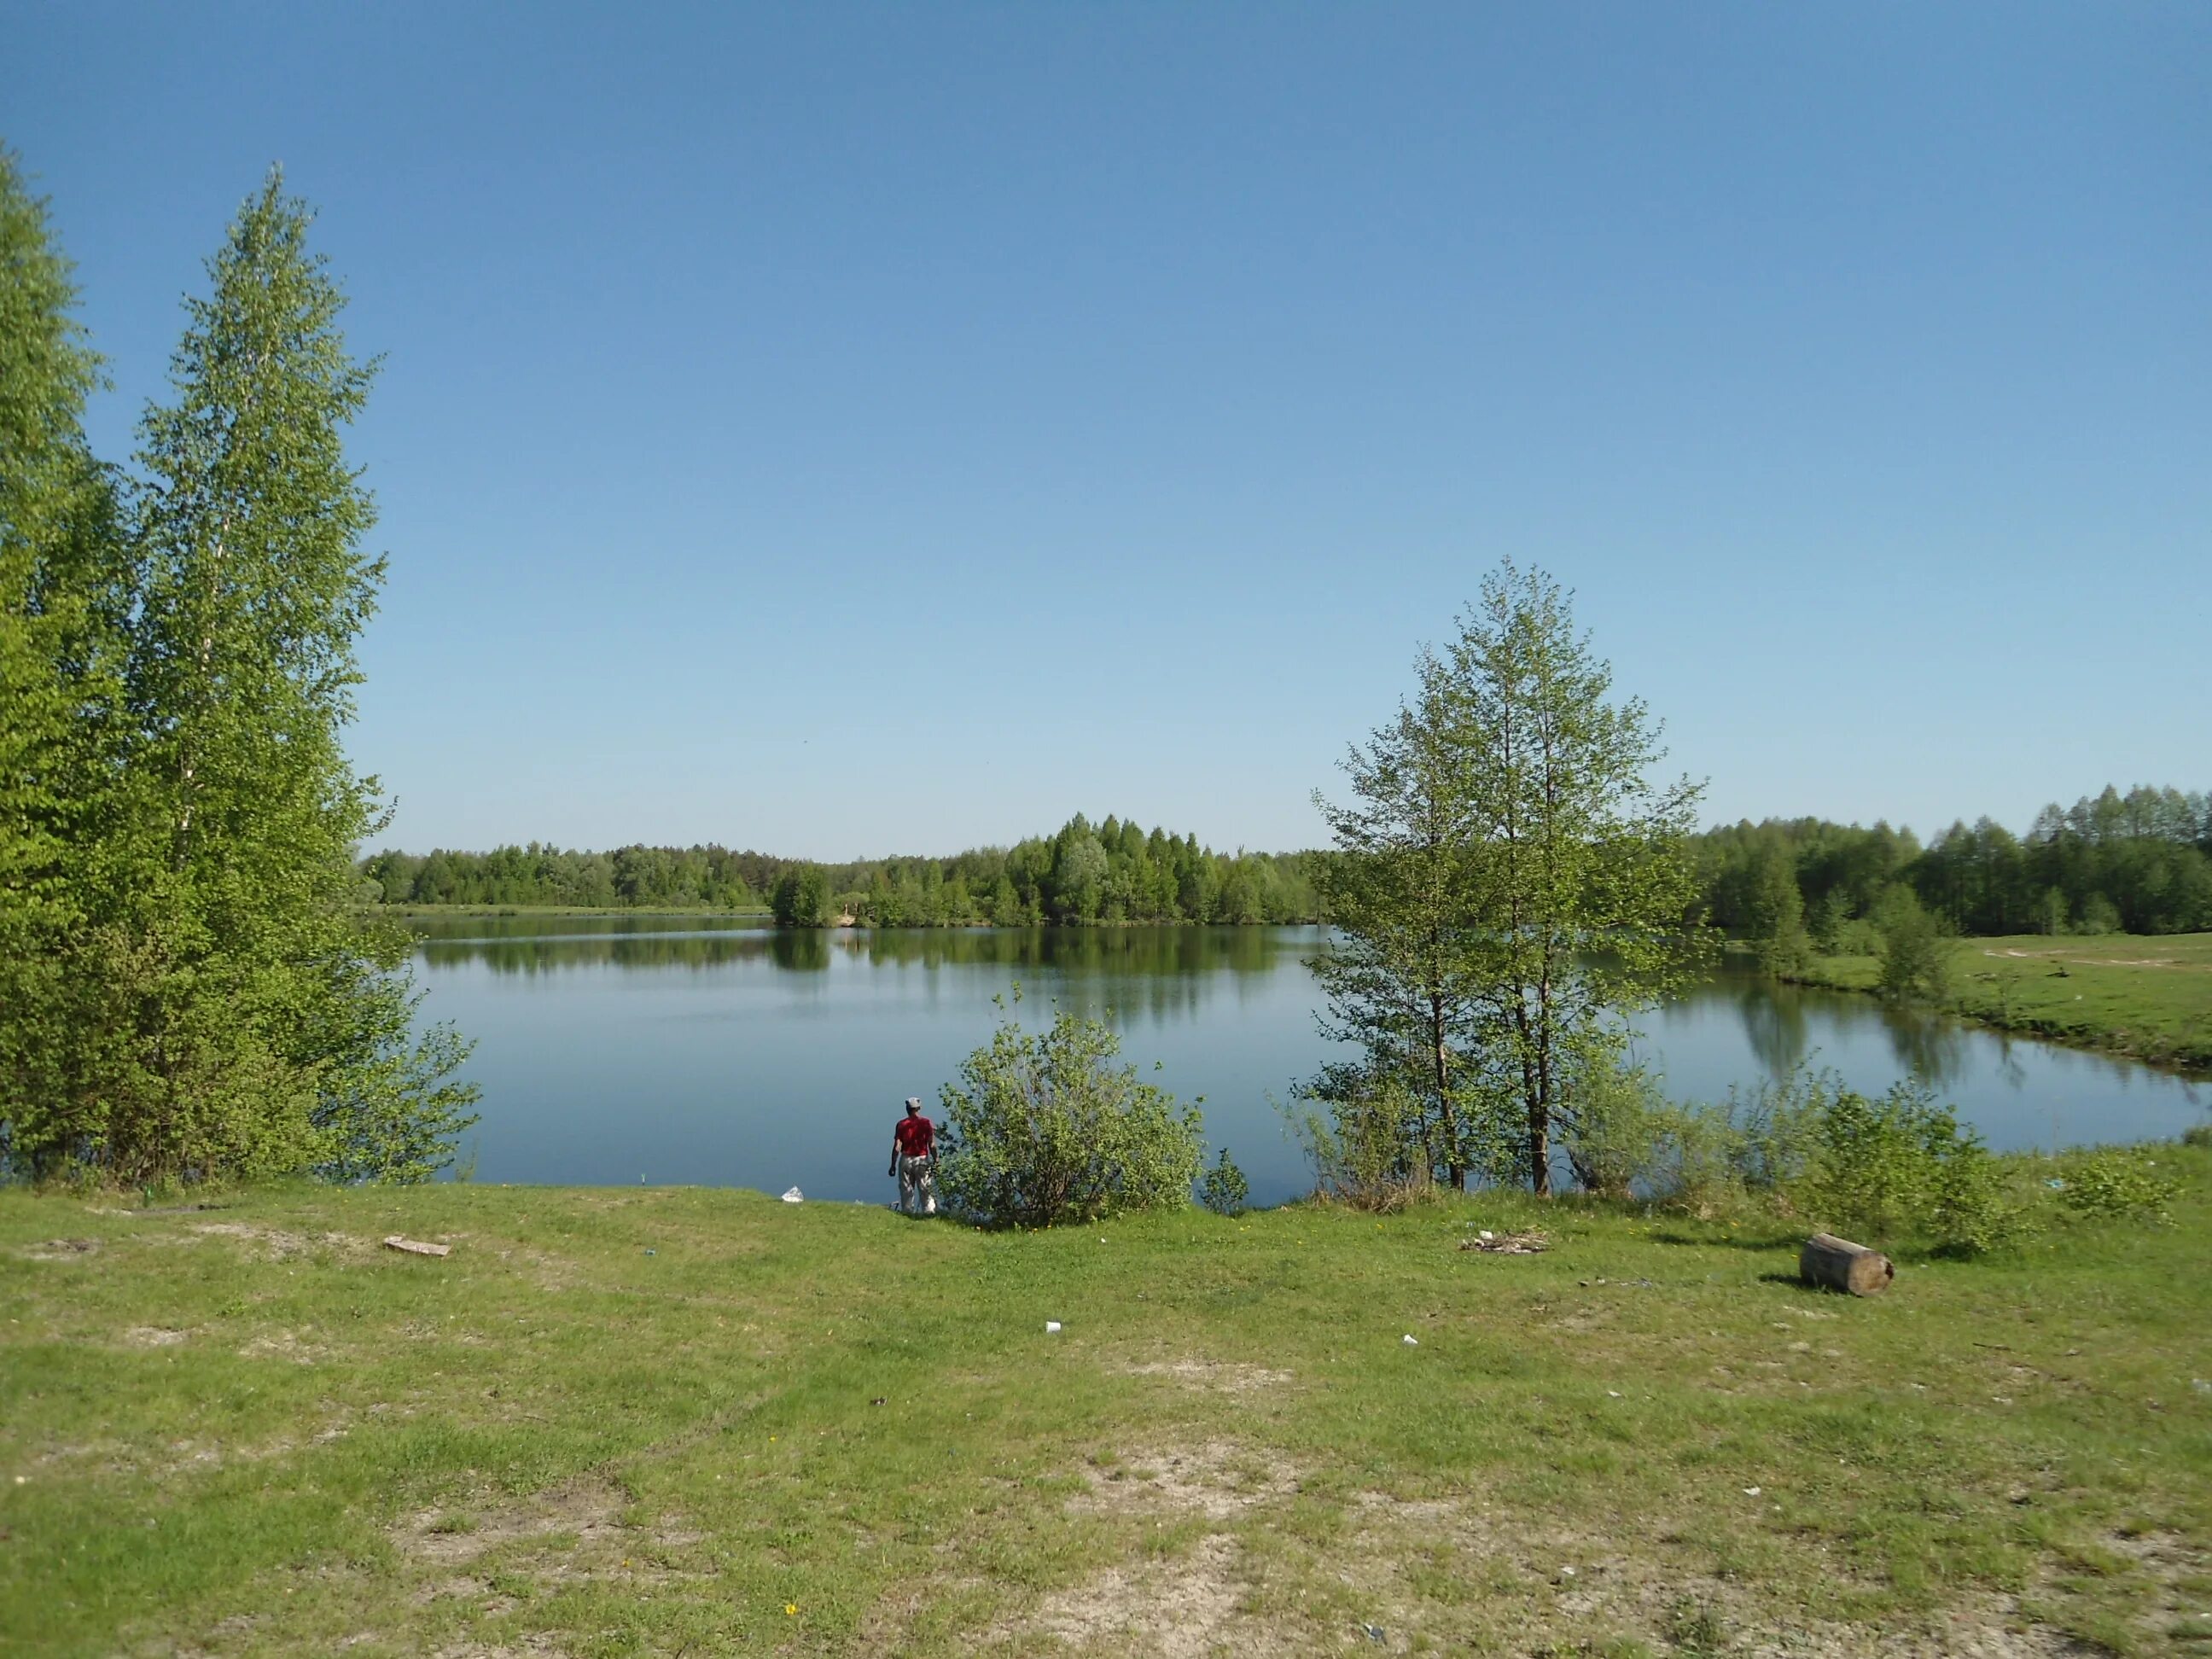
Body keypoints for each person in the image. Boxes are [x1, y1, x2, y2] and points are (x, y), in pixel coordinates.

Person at [889, 1097, 937, 1216]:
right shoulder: (926, 1123)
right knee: (925, 1189)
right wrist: (936, 1159)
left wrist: (893, 1165)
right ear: (919, 1108)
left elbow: (897, 1147)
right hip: (921, 1159)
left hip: (906, 1159)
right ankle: (929, 1213)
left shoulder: (901, 1124)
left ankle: (907, 1212)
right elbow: (932, 1144)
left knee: (906, 1190)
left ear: (907, 1109)